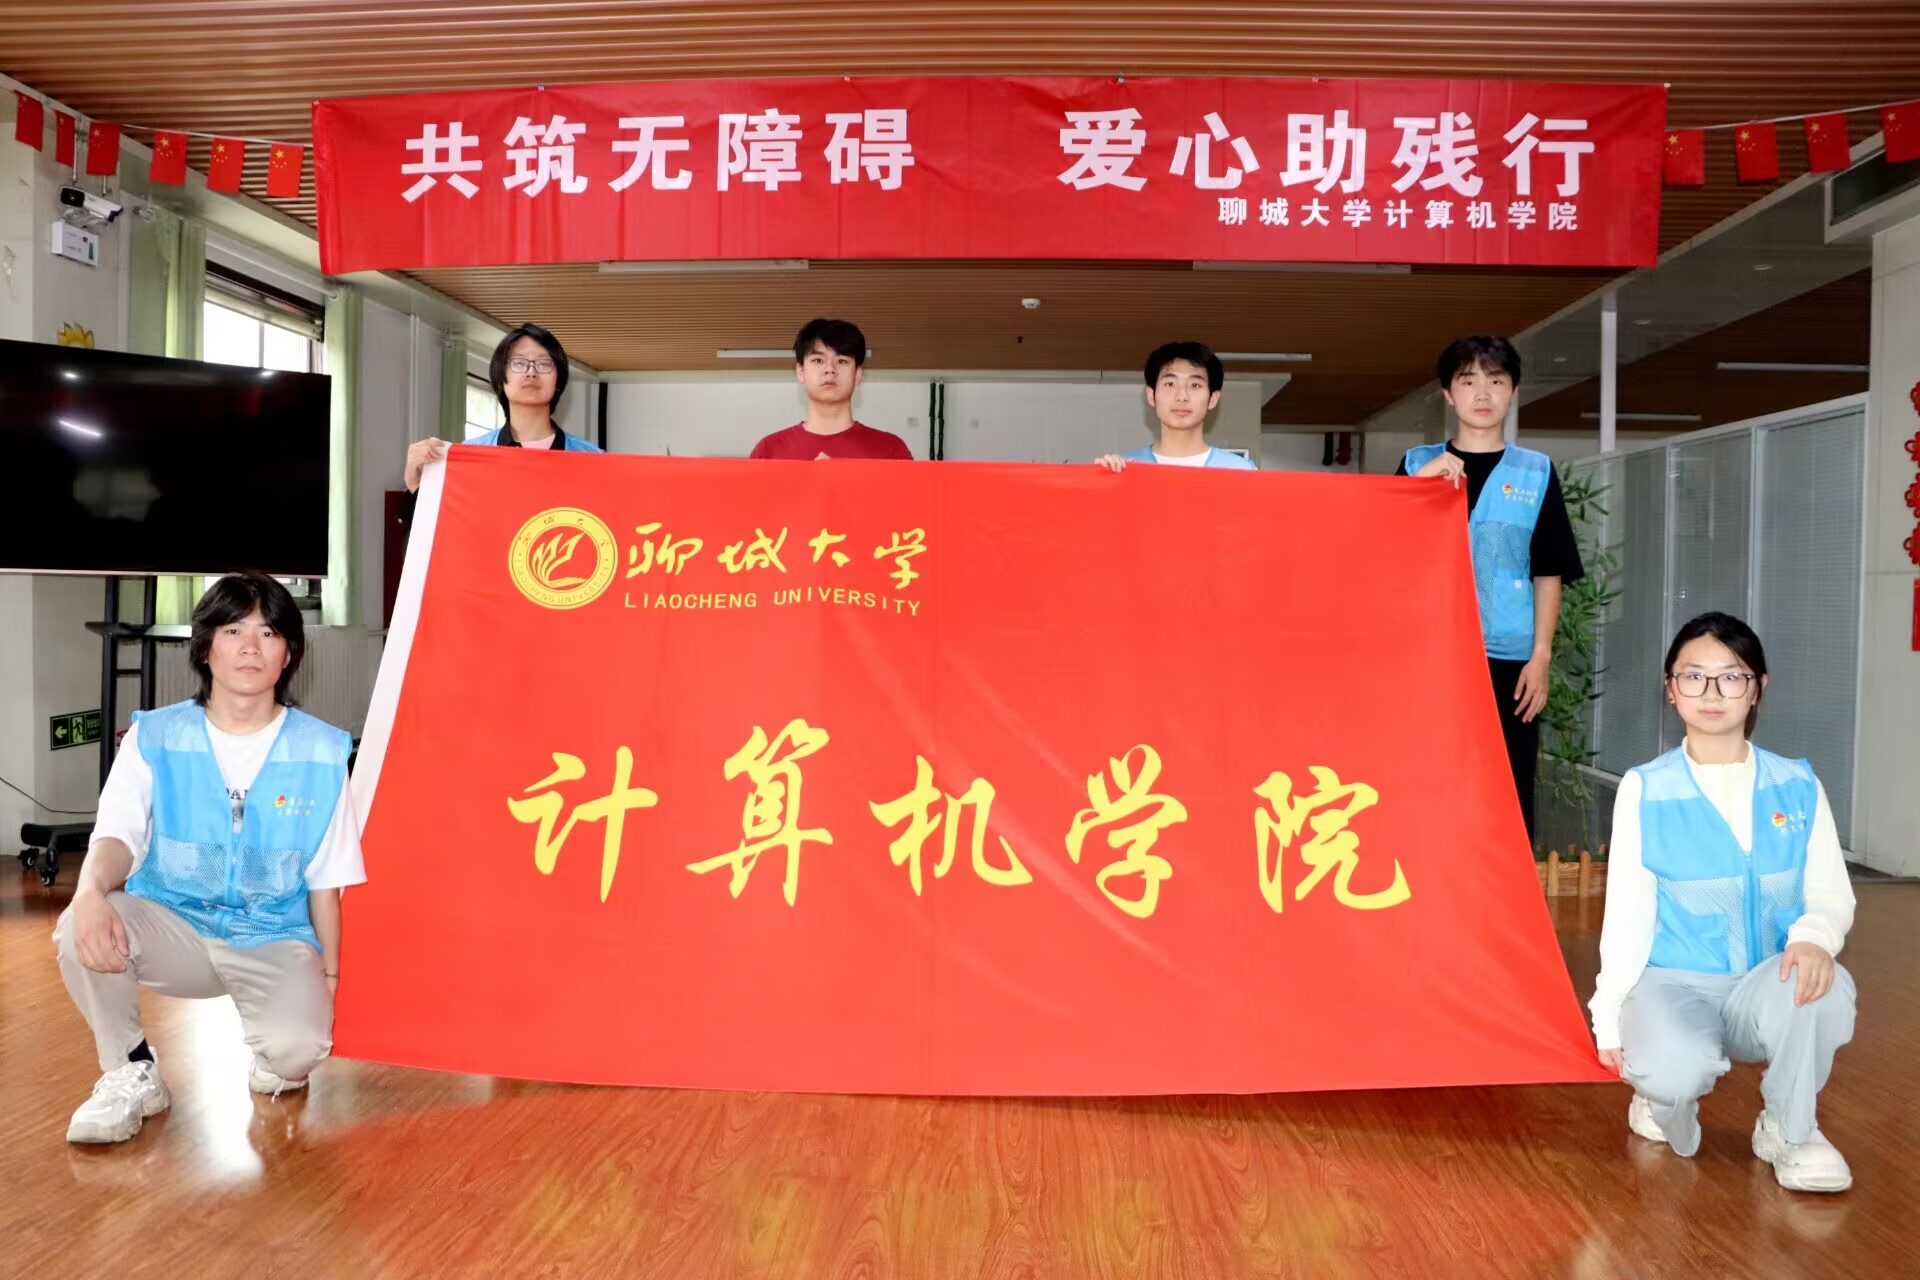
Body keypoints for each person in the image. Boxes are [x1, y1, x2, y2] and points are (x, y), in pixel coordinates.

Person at [53, 573, 365, 1144]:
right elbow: (117, 835)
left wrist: (330, 977)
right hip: (173, 925)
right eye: (233, 630)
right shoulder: (155, 737)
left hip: (271, 933)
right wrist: (90, 892)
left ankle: (274, 1046)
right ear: (204, 648)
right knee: (82, 923)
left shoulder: (322, 751)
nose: (251, 646)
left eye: (268, 632)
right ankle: (130, 1070)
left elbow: (327, 880)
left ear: (288, 653)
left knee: (297, 1052)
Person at [1590, 612, 1856, 1193]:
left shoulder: (1798, 786)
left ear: (1758, 688)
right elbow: (1628, 913)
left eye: (1732, 677)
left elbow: (1830, 892)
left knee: (1821, 983)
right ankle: (1660, 1095)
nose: (1712, 693)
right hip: (1676, 984)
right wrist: (1607, 1012)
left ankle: (1790, 1130)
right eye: (1694, 676)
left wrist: (1814, 938)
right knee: (1670, 1072)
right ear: (1670, 689)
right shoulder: (1646, 788)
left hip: (1770, 982)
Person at [1397, 336, 1582, 842]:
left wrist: (1541, 656)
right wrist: (1417, 489)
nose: (1483, 393)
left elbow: (1549, 571)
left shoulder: (1535, 472)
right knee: (1425, 782)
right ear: (1447, 394)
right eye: (1468, 381)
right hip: (1429, 657)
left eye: (1496, 380)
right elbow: (1382, 549)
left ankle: (1506, 892)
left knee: (1507, 788)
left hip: (1509, 661)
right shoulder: (1416, 464)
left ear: (1513, 391)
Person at [401, 322, 602, 501]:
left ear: (558, 380)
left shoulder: (594, 460)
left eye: (544, 364)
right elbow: (443, 526)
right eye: (519, 363)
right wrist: (415, 485)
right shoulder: (471, 456)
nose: (531, 372)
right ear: (501, 376)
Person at [747, 318, 914, 460]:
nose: (829, 369)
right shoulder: (768, 452)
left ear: (857, 374)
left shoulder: (891, 451)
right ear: (800, 372)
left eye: (841, 361)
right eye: (818, 361)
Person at [1095, 341, 1257, 471]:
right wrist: (1103, 481)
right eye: (1170, 384)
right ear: (1151, 395)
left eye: (1195, 385)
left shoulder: (1240, 471)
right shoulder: (1127, 467)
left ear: (1213, 398)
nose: (1182, 396)